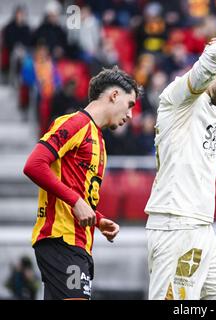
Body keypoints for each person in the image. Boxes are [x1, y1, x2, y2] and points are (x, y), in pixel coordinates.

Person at [144, 35, 216, 300]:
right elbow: (210, 61)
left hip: (202, 227)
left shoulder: (210, 108)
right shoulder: (181, 96)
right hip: (177, 226)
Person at [23, 66, 140, 300]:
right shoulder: (75, 123)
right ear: (114, 95)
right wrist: (76, 201)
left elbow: (76, 190)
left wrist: (97, 219)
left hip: (79, 243)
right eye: (130, 105)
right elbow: (34, 165)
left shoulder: (99, 141)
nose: (130, 115)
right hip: (61, 239)